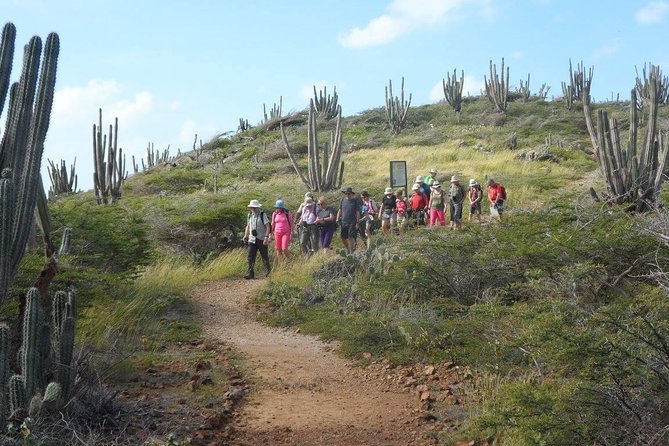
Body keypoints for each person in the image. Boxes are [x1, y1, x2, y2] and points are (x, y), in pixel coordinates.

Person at [243, 199, 271, 279]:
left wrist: (266, 237)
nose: (253, 209)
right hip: (252, 239)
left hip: (261, 238)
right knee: (250, 256)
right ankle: (250, 273)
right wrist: (245, 235)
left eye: (255, 207)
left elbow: (267, 226)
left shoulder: (263, 215)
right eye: (252, 207)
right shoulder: (249, 215)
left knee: (264, 256)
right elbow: (248, 226)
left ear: (258, 207)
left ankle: (268, 272)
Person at [336, 186, 361, 254]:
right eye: (346, 193)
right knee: (343, 238)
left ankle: (351, 252)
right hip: (344, 221)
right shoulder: (342, 200)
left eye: (349, 193)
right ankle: (348, 248)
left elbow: (357, 212)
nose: (347, 195)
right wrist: (337, 219)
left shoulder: (355, 201)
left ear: (352, 194)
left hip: (352, 221)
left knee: (350, 236)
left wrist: (357, 222)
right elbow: (340, 210)